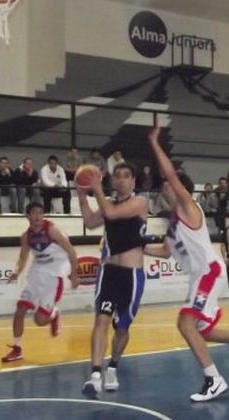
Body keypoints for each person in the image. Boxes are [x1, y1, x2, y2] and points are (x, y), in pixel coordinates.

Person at [145, 118, 229, 402]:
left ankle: (214, 380)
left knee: (185, 324)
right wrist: (135, 246)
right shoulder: (173, 224)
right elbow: (164, 252)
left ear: (179, 188)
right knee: (204, 331)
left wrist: (154, 143)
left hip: (209, 272)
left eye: (168, 185)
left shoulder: (189, 207)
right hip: (201, 276)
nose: (164, 188)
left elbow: (171, 174)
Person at [78, 162, 149, 399]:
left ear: (133, 181)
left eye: (126, 176)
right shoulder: (109, 202)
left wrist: (96, 187)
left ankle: (113, 367)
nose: (121, 179)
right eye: (117, 176)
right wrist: (81, 195)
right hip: (109, 271)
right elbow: (90, 221)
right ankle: (95, 375)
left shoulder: (140, 202)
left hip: (132, 274)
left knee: (122, 328)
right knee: (101, 319)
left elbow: (110, 214)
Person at [1, 203, 80, 362]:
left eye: (40, 213)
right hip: (37, 272)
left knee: (40, 321)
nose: (37, 216)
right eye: (34, 213)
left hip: (55, 272)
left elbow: (71, 251)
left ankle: (53, 314)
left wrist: (74, 274)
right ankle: (17, 348)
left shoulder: (52, 230)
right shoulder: (26, 236)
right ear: (27, 216)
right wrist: (16, 271)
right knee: (20, 308)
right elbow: (23, 258)